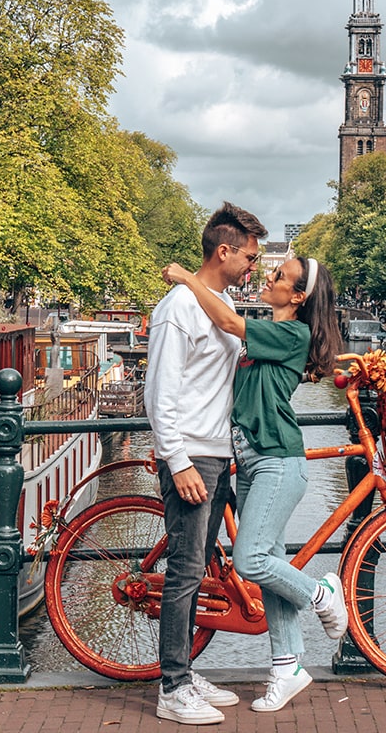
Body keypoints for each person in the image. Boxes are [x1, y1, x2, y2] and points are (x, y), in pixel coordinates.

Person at [164, 255, 345, 713]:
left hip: (276, 459)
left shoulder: (292, 333)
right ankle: (287, 667)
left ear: (298, 297)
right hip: (247, 459)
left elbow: (225, 318)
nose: (269, 277)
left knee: (250, 559)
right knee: (271, 565)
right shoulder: (270, 333)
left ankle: (321, 592)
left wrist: (187, 277)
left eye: (279, 276)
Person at [144, 202, 267, 725]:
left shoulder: (213, 302)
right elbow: (159, 392)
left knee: (200, 571)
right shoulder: (179, 308)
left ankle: (186, 675)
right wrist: (178, 460)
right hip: (193, 454)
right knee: (186, 572)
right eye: (251, 256)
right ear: (224, 252)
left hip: (216, 454)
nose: (255, 266)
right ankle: (172, 688)